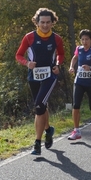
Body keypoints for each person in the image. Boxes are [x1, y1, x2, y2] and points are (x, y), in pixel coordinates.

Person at [15, 8, 65, 156]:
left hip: (49, 76)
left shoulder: (57, 39)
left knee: (38, 106)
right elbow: (18, 55)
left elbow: (61, 54)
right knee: (41, 106)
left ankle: (37, 143)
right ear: (37, 22)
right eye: (42, 22)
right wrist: (26, 63)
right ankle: (48, 130)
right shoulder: (29, 37)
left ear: (52, 22)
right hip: (33, 76)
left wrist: (58, 65)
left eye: (48, 22)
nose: (45, 25)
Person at [67, 29, 91, 139]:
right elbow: (74, 58)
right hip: (79, 82)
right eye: (82, 39)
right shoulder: (78, 49)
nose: (85, 42)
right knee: (76, 105)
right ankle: (76, 130)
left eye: (87, 39)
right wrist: (71, 67)